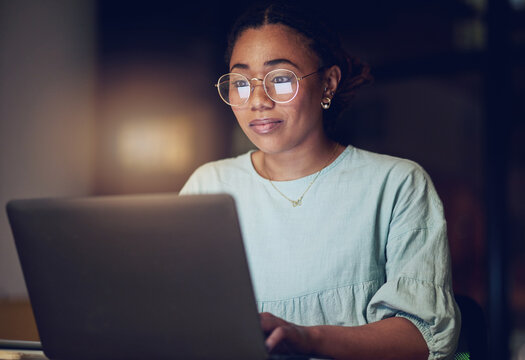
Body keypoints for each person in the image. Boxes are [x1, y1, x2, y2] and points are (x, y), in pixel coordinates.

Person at [180, 2, 460, 359]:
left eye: (280, 79)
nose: (258, 101)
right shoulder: (210, 185)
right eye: (241, 83)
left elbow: (423, 337)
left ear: (328, 82)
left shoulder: (396, 184)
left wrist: (308, 339)